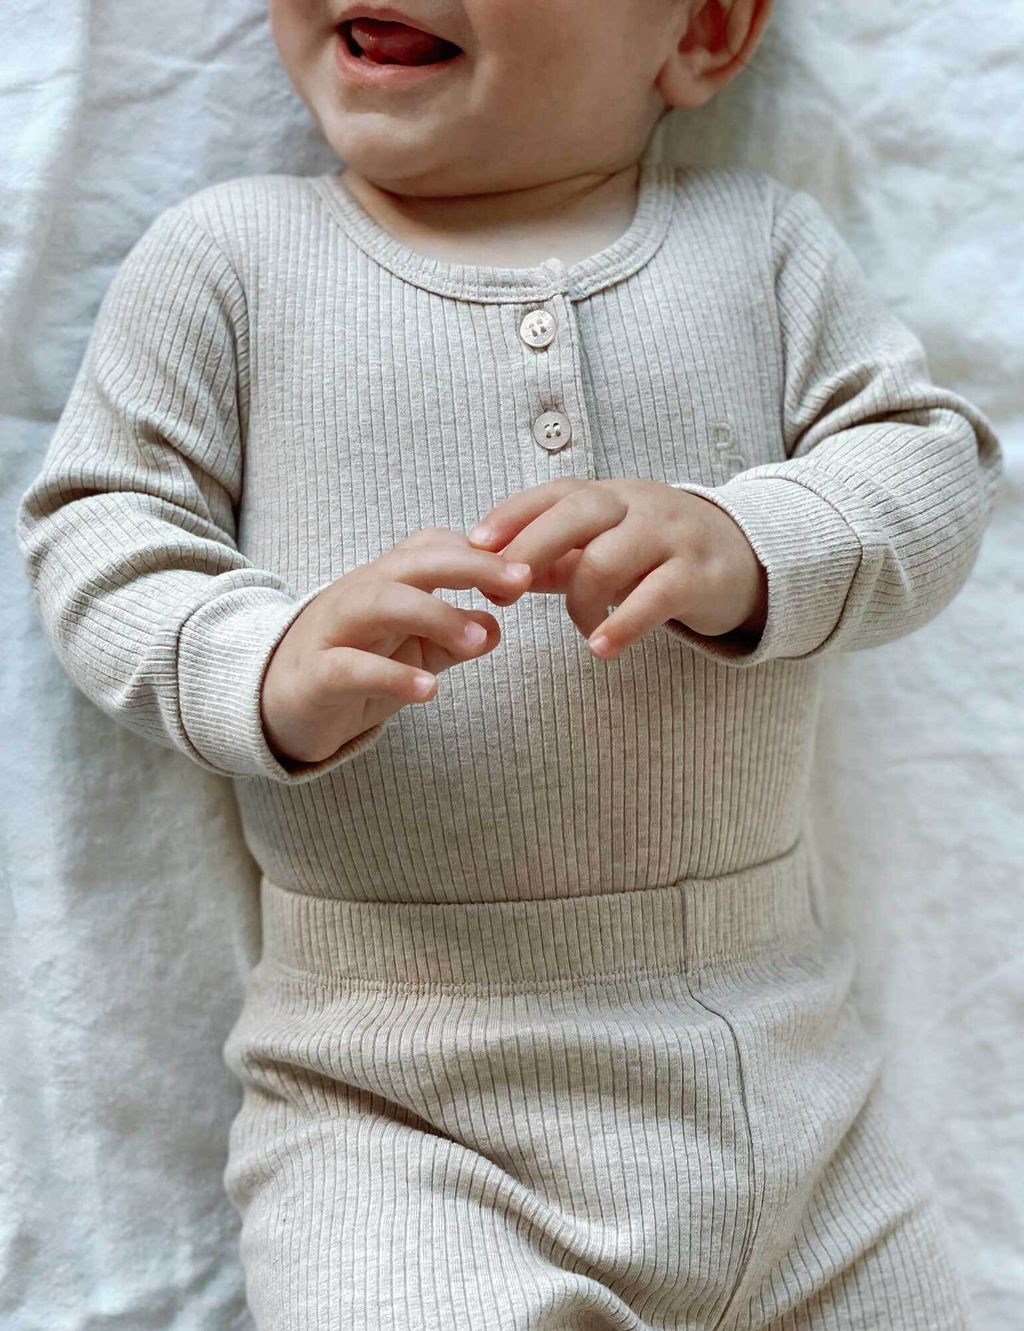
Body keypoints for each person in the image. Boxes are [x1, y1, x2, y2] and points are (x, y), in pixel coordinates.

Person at [15, 0, 1003, 1326]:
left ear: (705, 32)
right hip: (397, 1111)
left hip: (795, 1091)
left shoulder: (759, 245)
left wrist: (752, 541)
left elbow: (930, 466)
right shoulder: (230, 258)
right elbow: (100, 523)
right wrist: (260, 660)